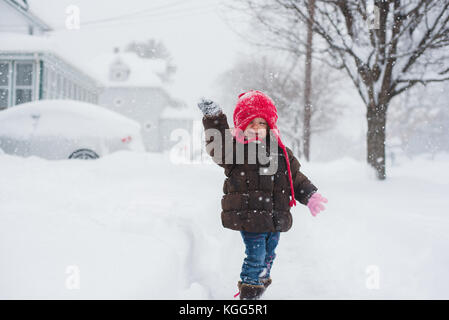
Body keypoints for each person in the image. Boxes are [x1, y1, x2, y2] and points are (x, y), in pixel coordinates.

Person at [197, 90, 328, 300]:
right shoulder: (235, 150)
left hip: (274, 216)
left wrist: (309, 194)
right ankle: (249, 294)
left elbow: (294, 177)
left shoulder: (281, 151)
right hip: (250, 216)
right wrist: (214, 118)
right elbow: (218, 144)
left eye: (262, 123)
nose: (257, 128)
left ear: (269, 126)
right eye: (251, 123)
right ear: (242, 126)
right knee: (256, 255)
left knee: (269, 254)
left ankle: (260, 281)